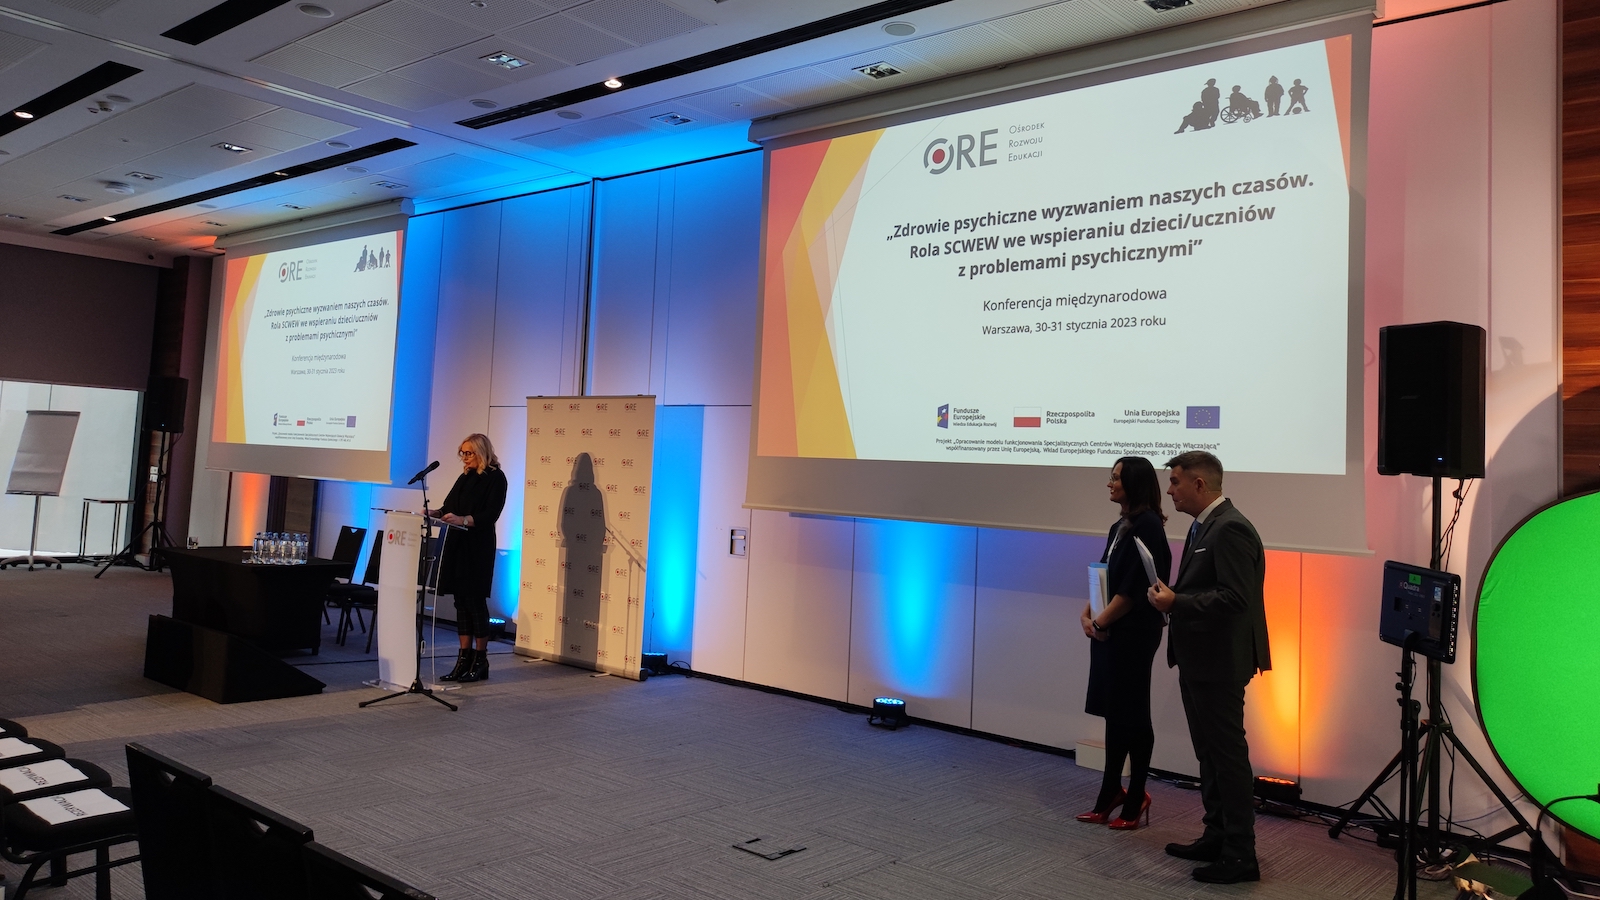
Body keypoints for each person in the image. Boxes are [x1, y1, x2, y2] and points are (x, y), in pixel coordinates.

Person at [1147, 451, 1270, 884]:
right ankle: (1217, 836)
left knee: (1226, 756)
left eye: (1175, 482)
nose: (1169, 490)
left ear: (1199, 484)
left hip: (1220, 661)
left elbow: (1236, 599)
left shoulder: (1230, 527)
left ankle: (1240, 854)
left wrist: (1176, 601)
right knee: (1210, 754)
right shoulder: (1204, 525)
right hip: (1200, 657)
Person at [1077, 457, 1172, 830]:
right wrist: (1088, 613)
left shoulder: (1148, 525)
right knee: (1114, 713)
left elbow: (1133, 590)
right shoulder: (1120, 525)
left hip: (1132, 633)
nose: (1109, 483)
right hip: (1110, 630)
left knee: (1133, 713)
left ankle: (1136, 798)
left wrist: (1100, 621)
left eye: (1115, 478)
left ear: (1133, 483)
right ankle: (1109, 793)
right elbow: (1104, 575)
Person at [427, 433, 508, 683]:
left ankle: (480, 660)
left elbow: (490, 514)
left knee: (474, 602)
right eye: (462, 453)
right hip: (457, 545)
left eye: (469, 453)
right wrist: (435, 512)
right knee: (460, 602)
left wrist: (463, 520)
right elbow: (449, 506)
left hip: (477, 547)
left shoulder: (496, 478)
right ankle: (463, 658)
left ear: (482, 452)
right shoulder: (465, 476)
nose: (464, 457)